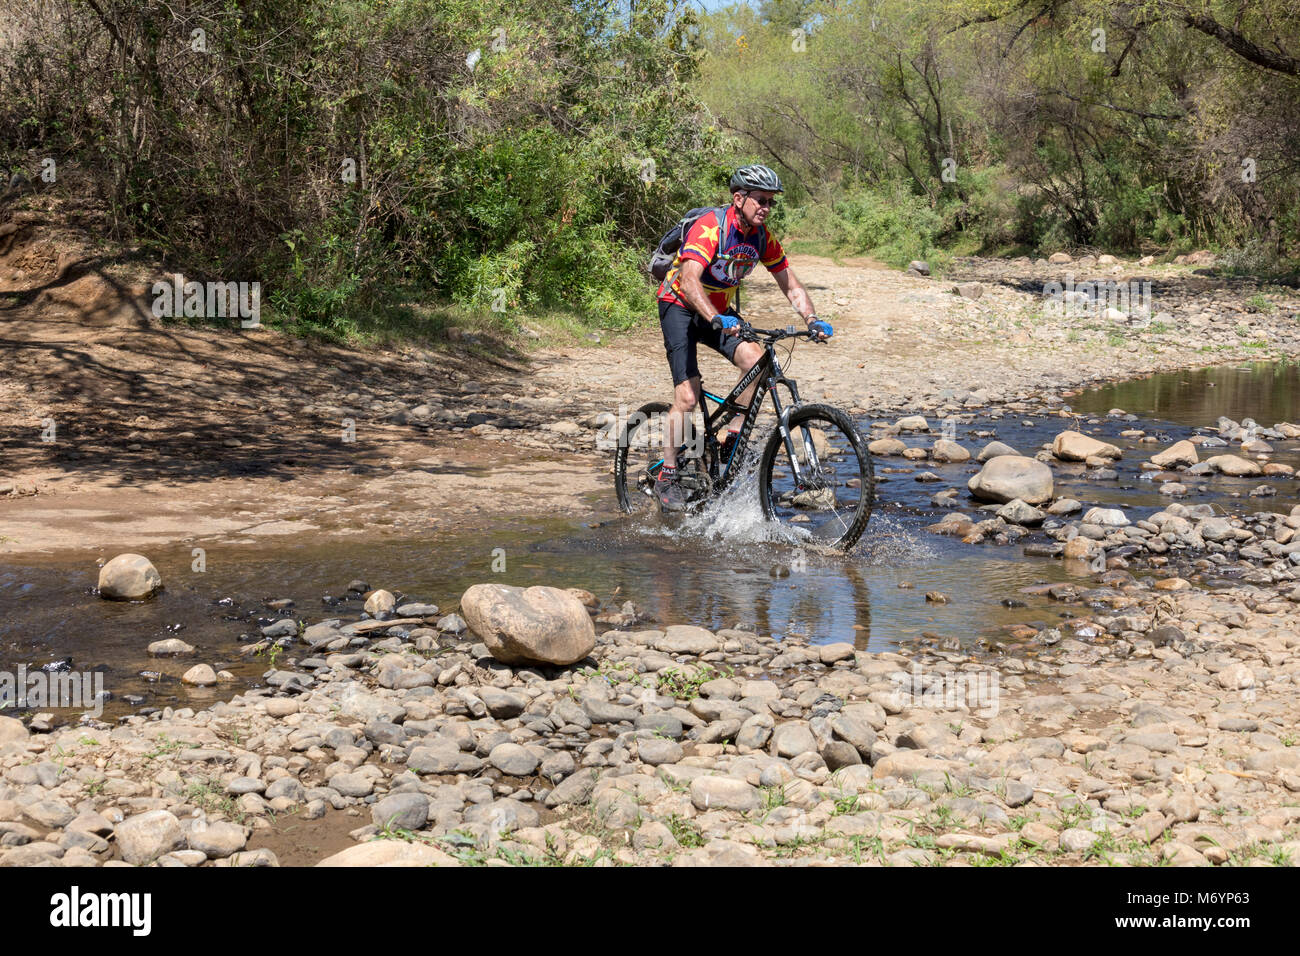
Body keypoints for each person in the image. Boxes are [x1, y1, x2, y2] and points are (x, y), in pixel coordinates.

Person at [654, 163, 833, 511]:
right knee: (687, 398)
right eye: (761, 200)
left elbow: (789, 282)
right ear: (739, 198)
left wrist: (811, 318)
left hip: (717, 310)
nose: (766, 207)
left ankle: (731, 433)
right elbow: (690, 282)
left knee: (757, 362)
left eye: (772, 202)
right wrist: (715, 318)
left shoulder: (762, 237)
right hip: (679, 305)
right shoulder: (711, 229)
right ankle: (668, 472)